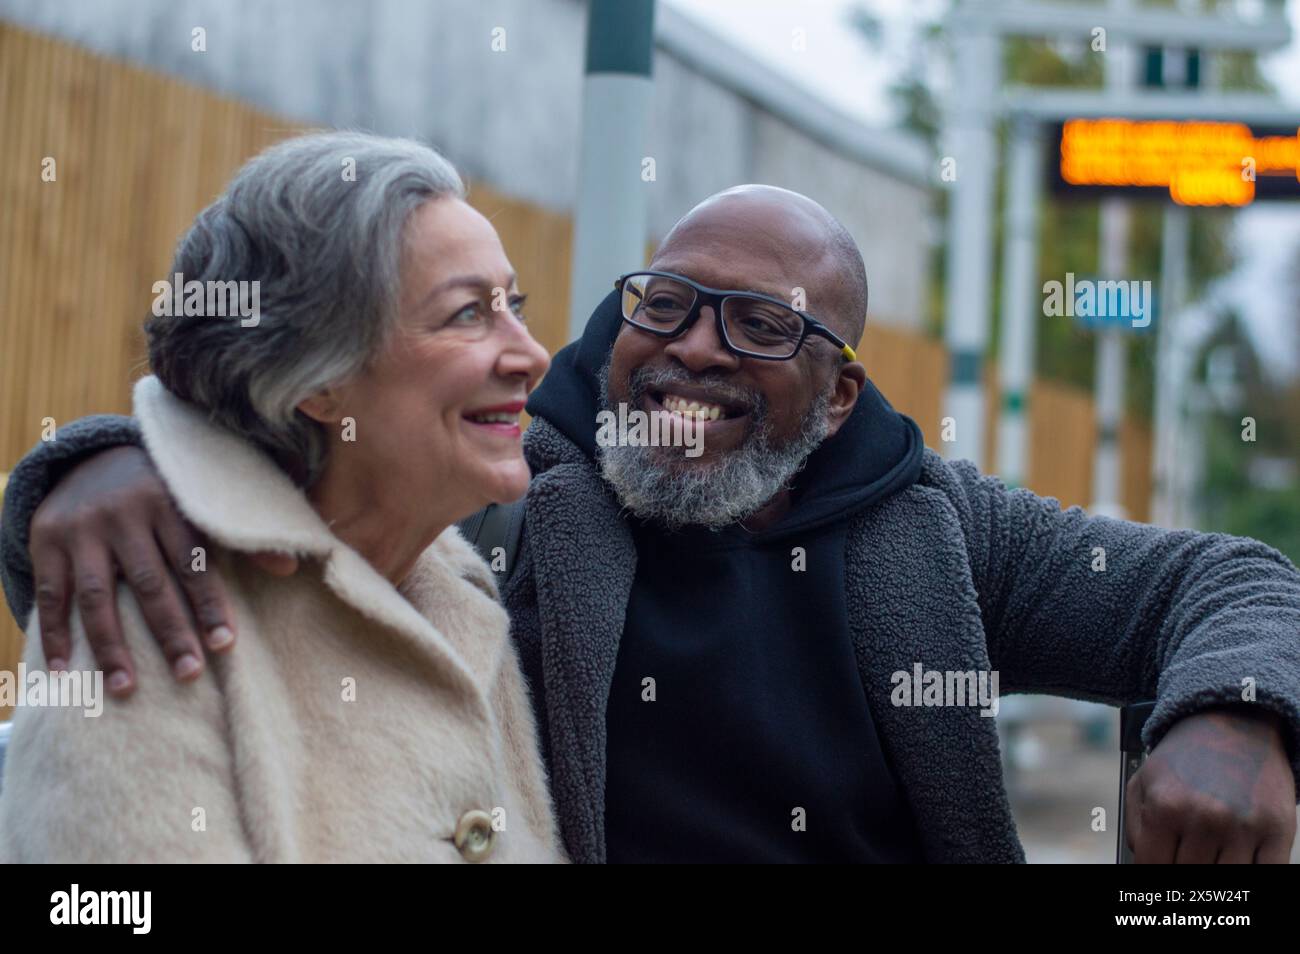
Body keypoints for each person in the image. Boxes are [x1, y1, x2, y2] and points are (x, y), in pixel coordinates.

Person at [4, 184, 1299, 863]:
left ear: (840, 388)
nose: (693, 352)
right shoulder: (505, 477)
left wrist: (1235, 714)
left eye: (761, 326)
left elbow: (1227, 580)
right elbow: (302, 452)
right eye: (665, 303)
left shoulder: (942, 529)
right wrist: (101, 460)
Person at [0, 130, 565, 863]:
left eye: (512, 304)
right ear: (319, 382)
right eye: (468, 314)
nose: (531, 353)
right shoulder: (147, 602)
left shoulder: (459, 590)